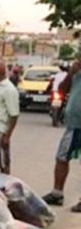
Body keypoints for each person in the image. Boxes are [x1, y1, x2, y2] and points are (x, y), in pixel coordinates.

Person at [44, 56, 81, 211]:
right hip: (73, 124)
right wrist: (71, 73)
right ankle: (57, 193)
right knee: (62, 157)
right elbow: (61, 90)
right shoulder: (76, 74)